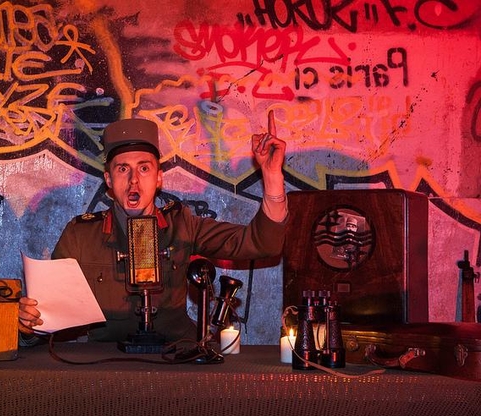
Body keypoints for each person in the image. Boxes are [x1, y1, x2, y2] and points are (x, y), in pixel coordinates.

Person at [18, 111, 288, 343]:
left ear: (159, 178)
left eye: (144, 168)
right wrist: (30, 326)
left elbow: (261, 243)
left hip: (175, 360)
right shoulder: (81, 235)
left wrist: (272, 175)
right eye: (123, 169)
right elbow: (48, 319)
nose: (134, 180)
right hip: (107, 364)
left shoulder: (182, 224)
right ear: (108, 180)